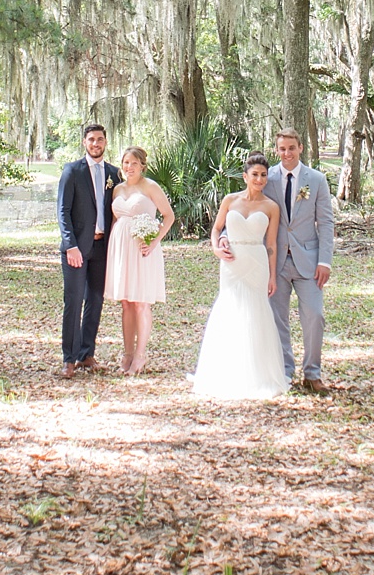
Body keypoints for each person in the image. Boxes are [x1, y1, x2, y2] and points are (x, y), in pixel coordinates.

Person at [191, 152, 288, 400]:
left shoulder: (271, 207)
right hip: (231, 262)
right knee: (230, 308)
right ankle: (227, 370)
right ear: (245, 176)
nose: (259, 179)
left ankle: (258, 374)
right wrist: (216, 247)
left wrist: (272, 276)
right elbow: (215, 229)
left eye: (264, 175)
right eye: (255, 175)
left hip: (256, 262)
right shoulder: (230, 200)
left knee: (256, 311)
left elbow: (272, 244)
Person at [264, 130, 335, 393]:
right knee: (277, 318)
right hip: (276, 262)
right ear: (276, 150)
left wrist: (325, 261)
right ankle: (285, 371)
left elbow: (326, 222)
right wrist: (224, 235)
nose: (287, 153)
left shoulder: (316, 179)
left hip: (309, 259)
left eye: (291, 148)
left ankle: (312, 373)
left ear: (301, 147)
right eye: (282, 149)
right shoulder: (266, 177)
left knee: (314, 316)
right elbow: (245, 206)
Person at [104, 146, 176, 375]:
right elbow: (115, 221)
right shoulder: (117, 190)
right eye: (126, 163)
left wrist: (154, 241)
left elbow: (169, 216)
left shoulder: (150, 187)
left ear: (142, 165)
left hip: (143, 248)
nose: (129, 167)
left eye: (134, 163)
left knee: (141, 302)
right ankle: (127, 353)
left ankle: (140, 355)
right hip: (121, 249)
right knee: (126, 302)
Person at [57, 124, 120, 378]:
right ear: (84, 142)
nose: (96, 144)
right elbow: (63, 211)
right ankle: (69, 359)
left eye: (100, 139)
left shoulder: (114, 174)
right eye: (92, 139)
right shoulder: (72, 171)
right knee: (73, 301)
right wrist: (70, 245)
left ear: (106, 142)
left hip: (102, 247)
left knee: (95, 300)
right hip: (76, 248)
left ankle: (86, 354)